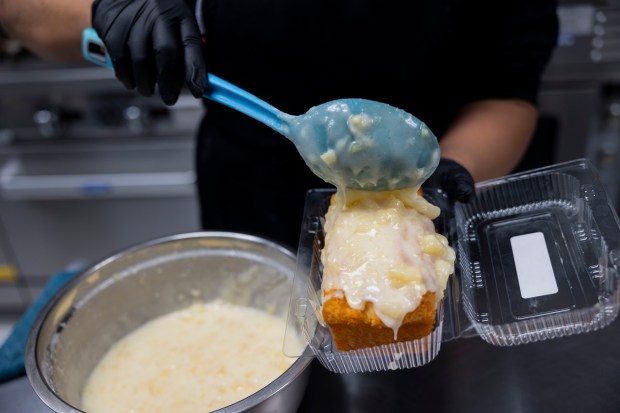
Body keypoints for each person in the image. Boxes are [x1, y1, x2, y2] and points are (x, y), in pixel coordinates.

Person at [0, 0, 559, 248]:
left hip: (415, 199)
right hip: (249, 190)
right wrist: (108, 9)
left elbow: (508, 90)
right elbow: (21, 11)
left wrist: (458, 166)